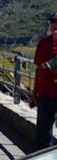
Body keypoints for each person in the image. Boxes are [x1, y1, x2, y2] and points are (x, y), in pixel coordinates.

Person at [30, 12, 57, 149]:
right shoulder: (43, 43)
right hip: (45, 94)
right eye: (52, 22)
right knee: (42, 133)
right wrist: (34, 93)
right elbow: (38, 69)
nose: (55, 25)